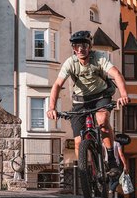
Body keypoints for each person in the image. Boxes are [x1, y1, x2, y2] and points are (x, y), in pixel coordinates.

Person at [46, 30, 129, 178]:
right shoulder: (70, 62)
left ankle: (110, 159)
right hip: (80, 101)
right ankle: (86, 172)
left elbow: (116, 74)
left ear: (89, 47)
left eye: (84, 46)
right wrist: (51, 108)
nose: (80, 49)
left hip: (100, 96)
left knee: (102, 121)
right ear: (73, 48)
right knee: (78, 142)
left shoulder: (99, 58)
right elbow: (57, 85)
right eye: (77, 46)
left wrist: (123, 95)